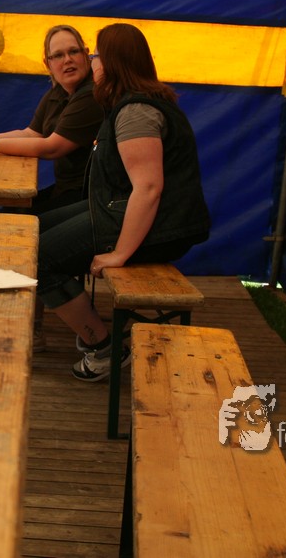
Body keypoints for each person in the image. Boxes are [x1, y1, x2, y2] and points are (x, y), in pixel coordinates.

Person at [36, 23, 210, 381]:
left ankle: (104, 349)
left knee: (38, 257)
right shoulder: (128, 103)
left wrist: (119, 254)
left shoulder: (136, 112)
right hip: (124, 213)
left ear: (113, 62)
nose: (91, 61)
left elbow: (148, 188)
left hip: (160, 227)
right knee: (30, 232)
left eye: (96, 55)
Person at [0, 25, 104, 215]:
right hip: (64, 189)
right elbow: (31, 133)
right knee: (11, 207)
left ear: (86, 55)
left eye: (73, 51)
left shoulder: (90, 95)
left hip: (86, 197)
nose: (67, 59)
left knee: (18, 218)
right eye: (58, 55)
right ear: (48, 64)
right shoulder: (58, 92)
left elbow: (52, 147)